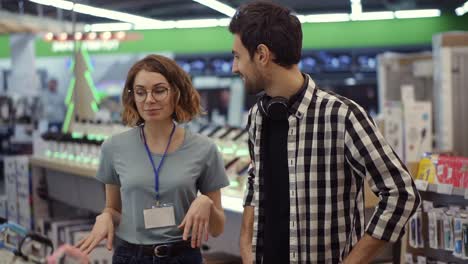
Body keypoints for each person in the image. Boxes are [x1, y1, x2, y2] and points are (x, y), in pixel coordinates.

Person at [229, 2, 421, 263]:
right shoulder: (256, 118)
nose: (234, 67)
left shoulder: (342, 116)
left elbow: (401, 194)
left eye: (237, 56)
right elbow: (255, 179)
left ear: (262, 55)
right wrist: (246, 245)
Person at [76, 55, 230, 264]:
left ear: (176, 92)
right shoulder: (113, 147)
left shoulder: (204, 149)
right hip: (130, 256)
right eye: (140, 92)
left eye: (159, 90)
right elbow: (113, 209)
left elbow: (217, 228)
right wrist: (106, 216)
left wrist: (206, 203)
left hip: (183, 256)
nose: (149, 100)